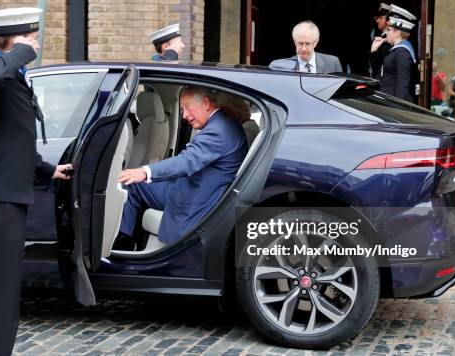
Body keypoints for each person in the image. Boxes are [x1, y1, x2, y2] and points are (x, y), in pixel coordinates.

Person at [0, 7, 76, 356]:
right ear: (17, 38)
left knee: (3, 291)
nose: (36, 43)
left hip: (6, 199)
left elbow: (14, 138)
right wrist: (21, 51)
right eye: (32, 37)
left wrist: (46, 169)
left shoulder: (12, 76)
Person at [116, 86, 248, 245]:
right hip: (186, 185)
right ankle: (123, 242)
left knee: (132, 181)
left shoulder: (219, 131)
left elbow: (186, 161)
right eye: (182, 109)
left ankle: (121, 242)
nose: (184, 115)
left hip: (196, 196)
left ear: (206, 103)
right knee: (132, 184)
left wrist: (144, 171)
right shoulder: (222, 123)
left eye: (187, 108)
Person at [373, 5, 417, 102]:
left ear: (397, 33)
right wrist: (374, 50)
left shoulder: (402, 51)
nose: (386, 33)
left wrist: (397, 107)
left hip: (393, 104)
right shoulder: (396, 50)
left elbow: (402, 85)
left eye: (389, 30)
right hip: (386, 100)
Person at [269, 20, 342, 74]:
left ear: (315, 43)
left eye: (307, 44)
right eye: (300, 43)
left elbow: (340, 92)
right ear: (295, 42)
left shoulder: (333, 63)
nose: (303, 48)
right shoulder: (282, 67)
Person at [369, 3, 393, 79]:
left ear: (386, 19)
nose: (377, 20)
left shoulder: (390, 39)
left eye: (380, 17)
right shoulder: (380, 36)